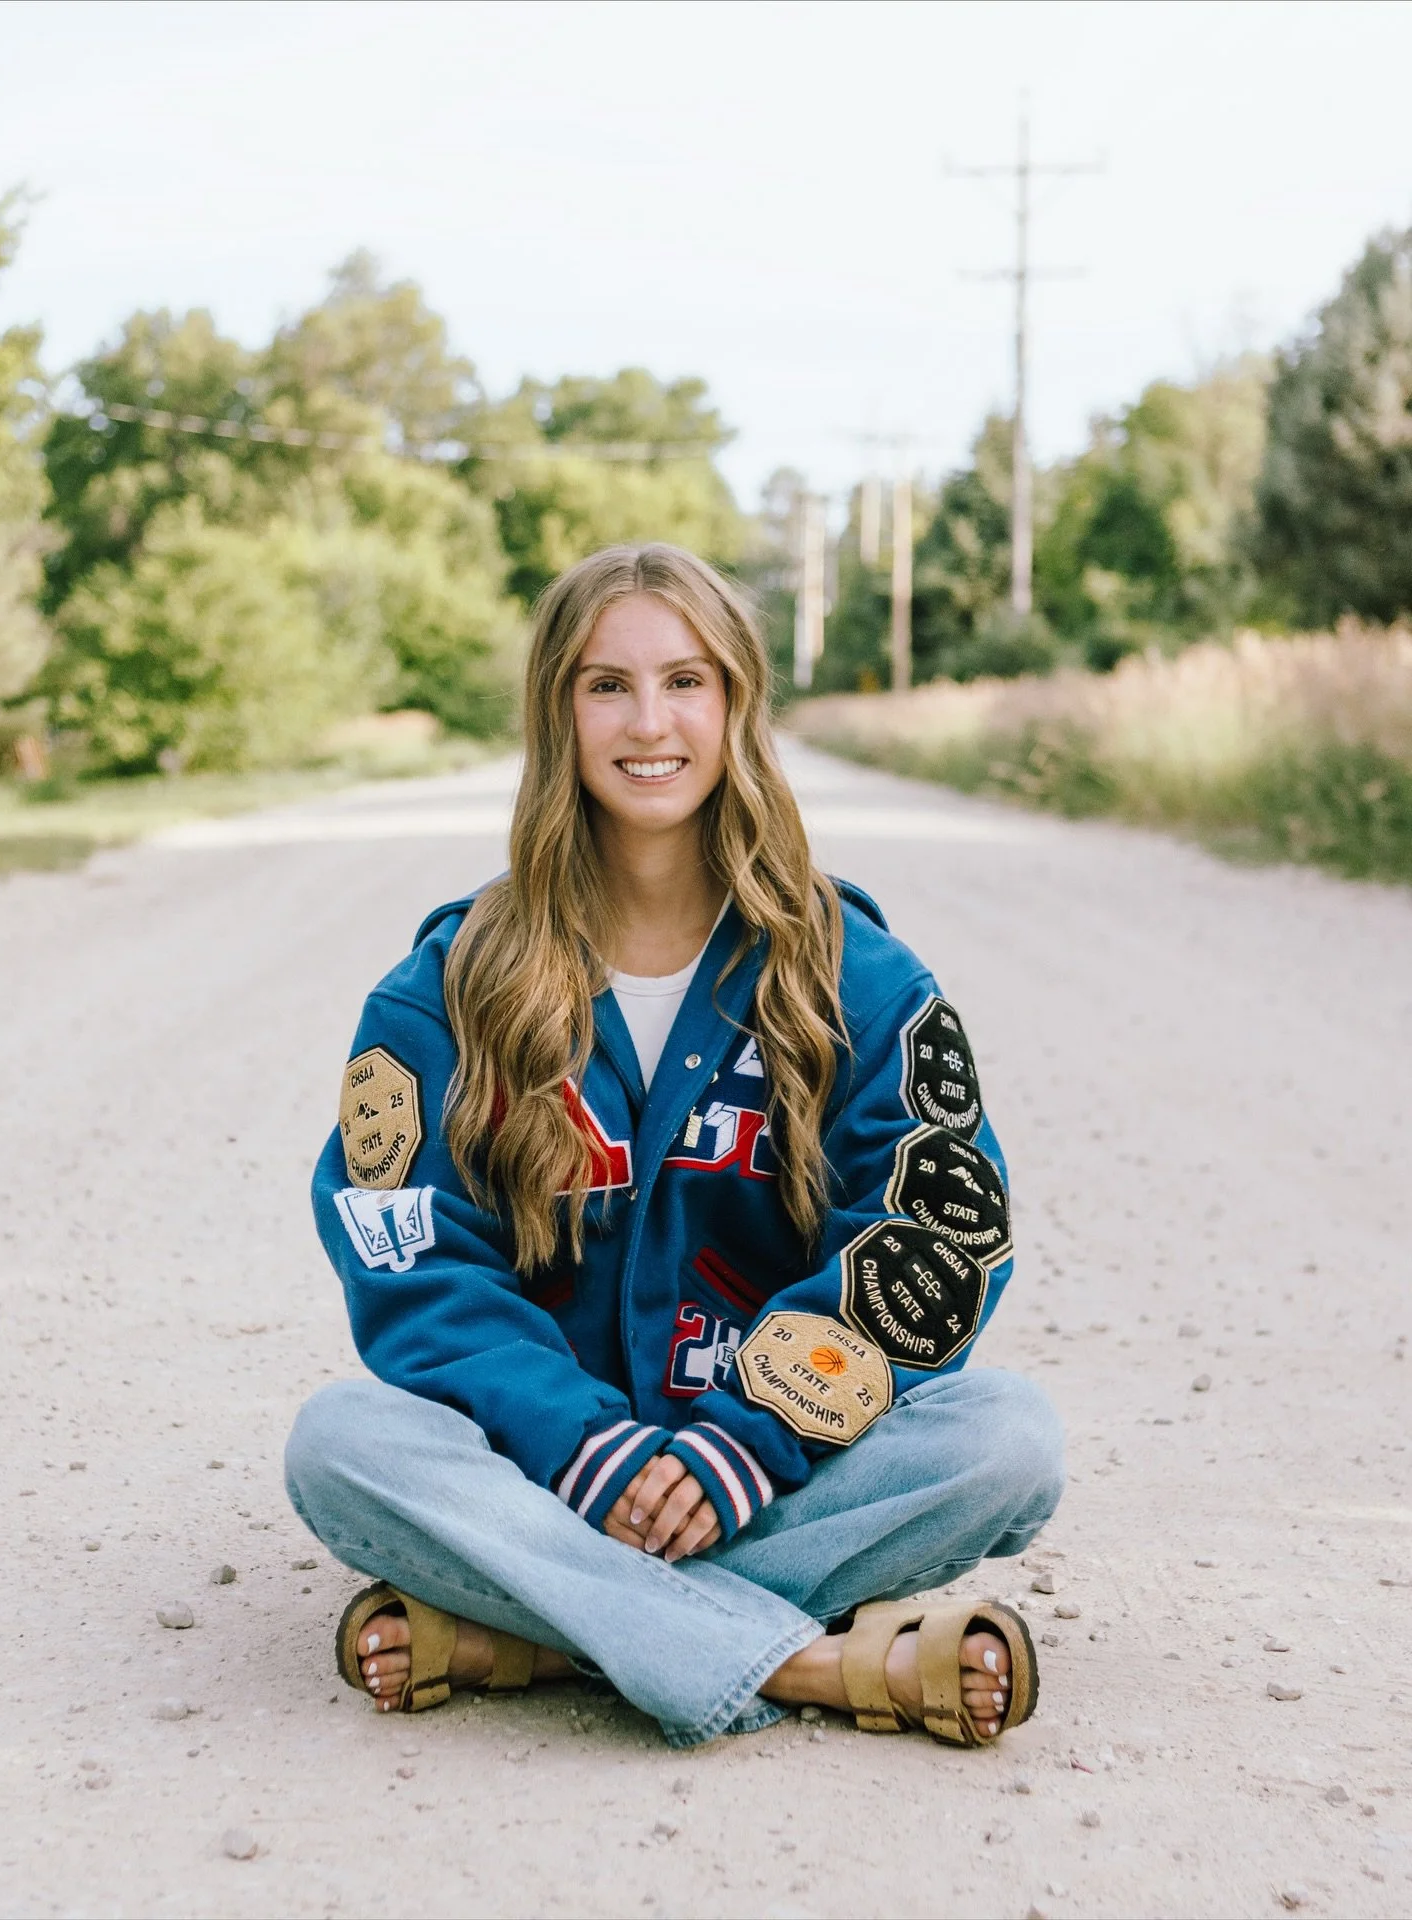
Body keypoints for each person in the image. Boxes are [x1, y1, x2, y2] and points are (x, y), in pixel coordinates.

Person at [284, 542, 1063, 1751]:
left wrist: (742, 1447)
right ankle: (814, 1664)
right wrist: (587, 1449)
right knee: (342, 1446)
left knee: (1007, 1441)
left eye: (686, 681)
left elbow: (935, 1228)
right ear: (559, 711)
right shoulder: (448, 983)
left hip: (771, 1467)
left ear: (738, 702)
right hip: (548, 1472)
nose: (650, 722)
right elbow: (414, 1258)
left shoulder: (851, 971)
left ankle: (539, 1633)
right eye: (607, 685)